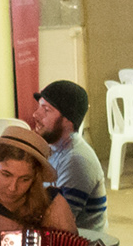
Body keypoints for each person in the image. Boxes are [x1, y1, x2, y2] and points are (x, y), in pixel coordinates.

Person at [29, 79, 108, 231]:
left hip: (82, 243)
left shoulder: (76, 161)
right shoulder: (51, 148)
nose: (36, 114)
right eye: (39, 107)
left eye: (46, 110)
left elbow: (57, 223)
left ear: (68, 121)